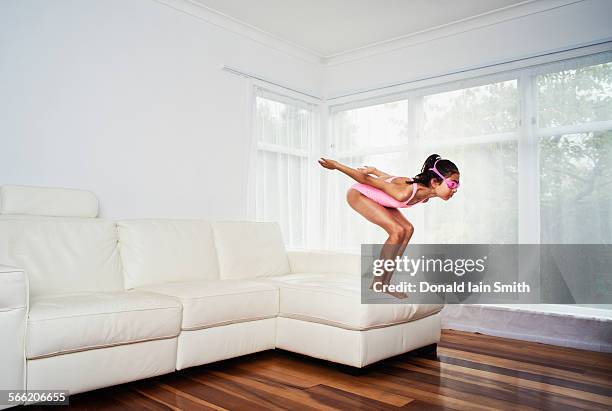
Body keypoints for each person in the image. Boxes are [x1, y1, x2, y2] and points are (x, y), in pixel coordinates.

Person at [318, 154, 460, 299]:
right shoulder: (405, 192)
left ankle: (385, 283)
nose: (455, 189)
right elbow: (366, 180)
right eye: (452, 184)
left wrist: (376, 170)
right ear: (435, 182)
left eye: (457, 185)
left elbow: (392, 179)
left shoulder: (424, 195)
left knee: (408, 229)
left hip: (382, 201)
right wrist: (337, 165)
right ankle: (378, 283)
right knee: (397, 231)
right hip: (359, 194)